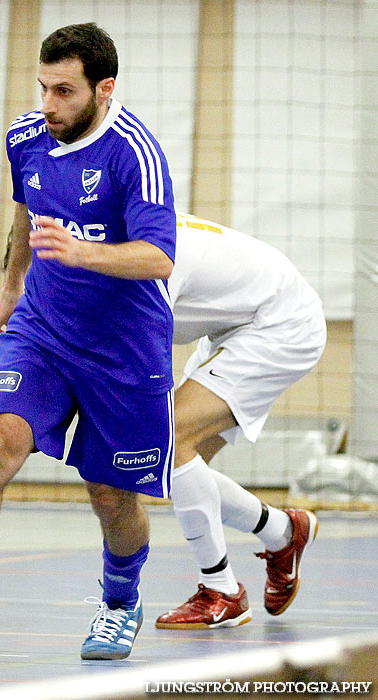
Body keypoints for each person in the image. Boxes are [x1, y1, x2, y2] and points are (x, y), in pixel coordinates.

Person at [0, 23, 177, 662]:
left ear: (104, 90)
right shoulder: (26, 138)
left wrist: (83, 252)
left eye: (64, 91)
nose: (48, 103)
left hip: (124, 352)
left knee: (111, 496)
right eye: (42, 87)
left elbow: (158, 257)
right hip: (41, 332)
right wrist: (11, 285)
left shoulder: (136, 154)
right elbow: (25, 212)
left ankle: (120, 604)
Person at [155, 212, 326, 629]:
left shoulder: (146, 258)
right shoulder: (106, 233)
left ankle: (222, 592)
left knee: (169, 439)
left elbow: (140, 356)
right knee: (169, 461)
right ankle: (283, 531)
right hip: (236, 324)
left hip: (281, 323)